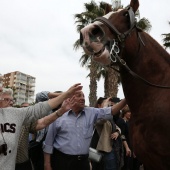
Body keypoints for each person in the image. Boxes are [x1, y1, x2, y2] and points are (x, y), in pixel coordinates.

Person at [0, 83, 82, 170]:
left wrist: (62, 108)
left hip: (22, 163)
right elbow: (40, 96)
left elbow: (41, 120)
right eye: (6, 99)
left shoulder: (17, 114)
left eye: (11, 100)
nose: (10, 102)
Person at [43, 91, 126, 170]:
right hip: (62, 162)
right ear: (69, 99)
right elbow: (48, 143)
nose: (82, 98)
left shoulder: (91, 112)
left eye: (83, 96)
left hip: (83, 163)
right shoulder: (58, 116)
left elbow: (111, 111)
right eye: (79, 96)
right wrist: (47, 165)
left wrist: (126, 99)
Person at [15, 99, 70, 170]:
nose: (25, 110)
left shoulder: (27, 123)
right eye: (23, 107)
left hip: (22, 164)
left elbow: (43, 123)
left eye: (27, 108)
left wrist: (61, 110)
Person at [90, 97, 123, 170]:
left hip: (113, 148)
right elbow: (103, 118)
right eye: (107, 103)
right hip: (104, 150)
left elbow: (117, 127)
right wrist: (105, 106)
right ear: (99, 105)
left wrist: (117, 132)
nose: (109, 105)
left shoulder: (110, 119)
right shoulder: (97, 118)